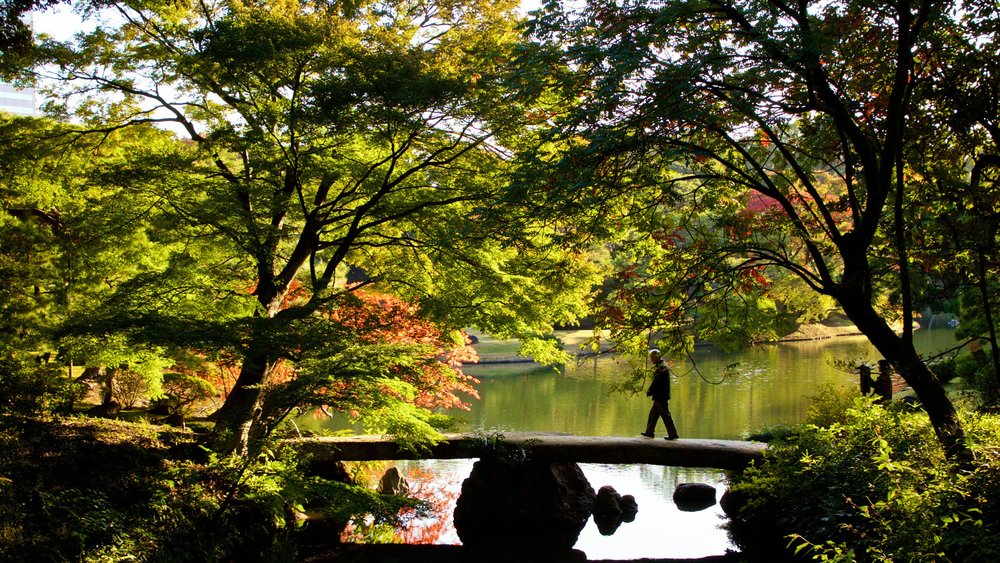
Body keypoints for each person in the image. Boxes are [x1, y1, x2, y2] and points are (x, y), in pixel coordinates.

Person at [641, 349, 679, 440]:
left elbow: (657, 381)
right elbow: (657, 381)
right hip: (660, 395)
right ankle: (649, 432)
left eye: (652, 358)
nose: (651, 359)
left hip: (661, 395)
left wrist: (650, 390)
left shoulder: (661, 367)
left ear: (656, 357)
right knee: (653, 414)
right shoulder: (662, 365)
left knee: (665, 415)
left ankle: (673, 434)